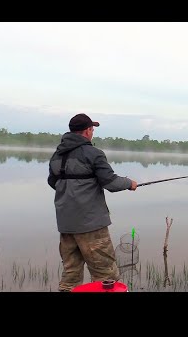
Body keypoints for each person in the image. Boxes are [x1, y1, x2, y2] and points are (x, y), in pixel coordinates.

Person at [47, 113, 138, 292]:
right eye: (92, 129)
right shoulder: (93, 153)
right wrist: (130, 183)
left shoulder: (57, 156)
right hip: (92, 225)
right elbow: (110, 182)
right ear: (87, 131)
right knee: (106, 276)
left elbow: (53, 183)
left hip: (66, 225)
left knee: (70, 275)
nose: (93, 132)